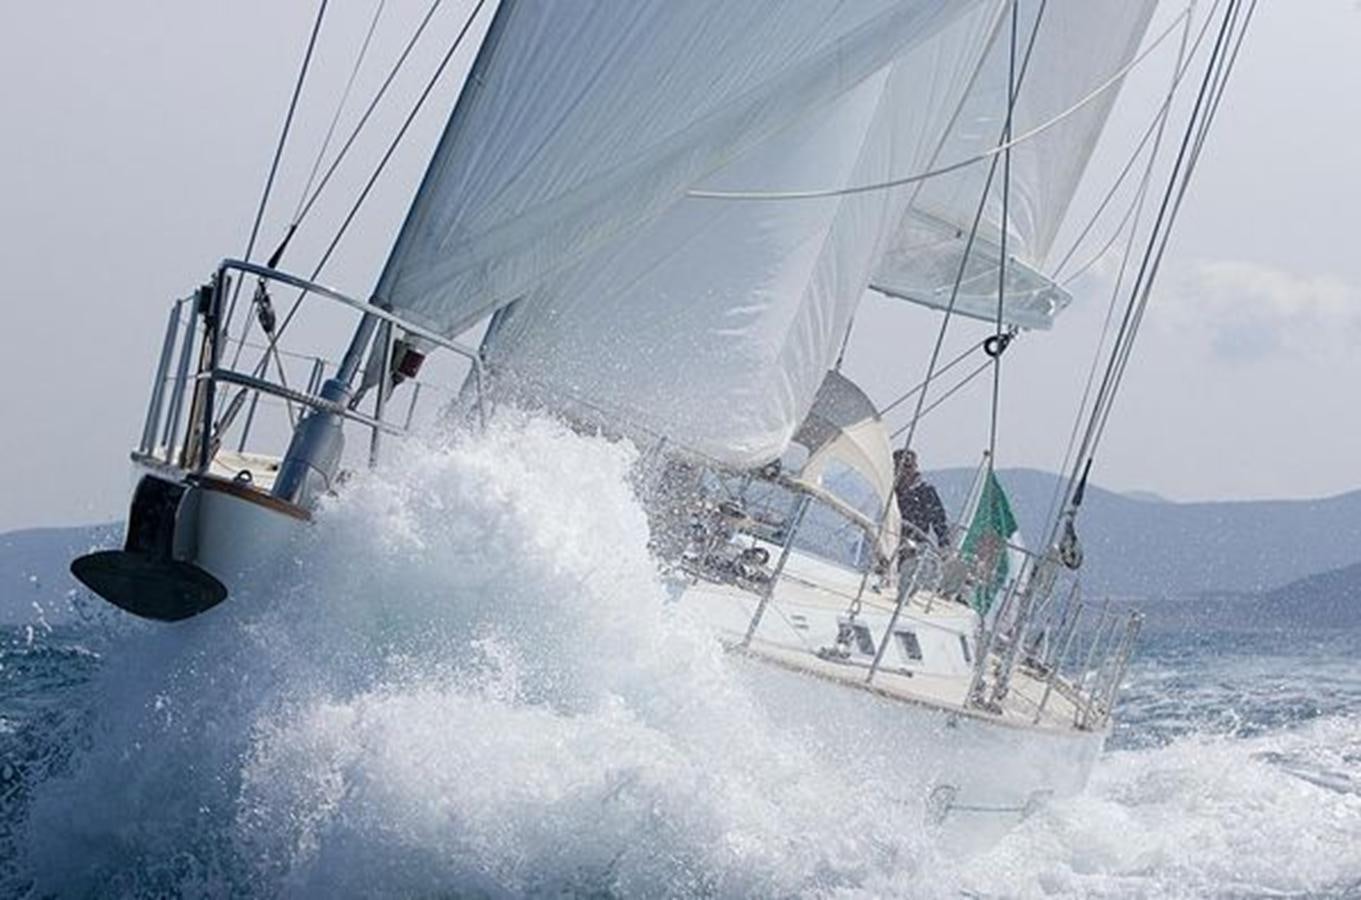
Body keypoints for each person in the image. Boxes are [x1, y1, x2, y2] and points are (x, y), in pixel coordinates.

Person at [893, 448, 949, 548]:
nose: (904, 472)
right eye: (899, 467)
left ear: (915, 467)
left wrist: (944, 543)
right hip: (889, 544)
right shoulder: (889, 493)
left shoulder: (926, 492)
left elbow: (939, 520)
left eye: (908, 467)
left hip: (916, 547)